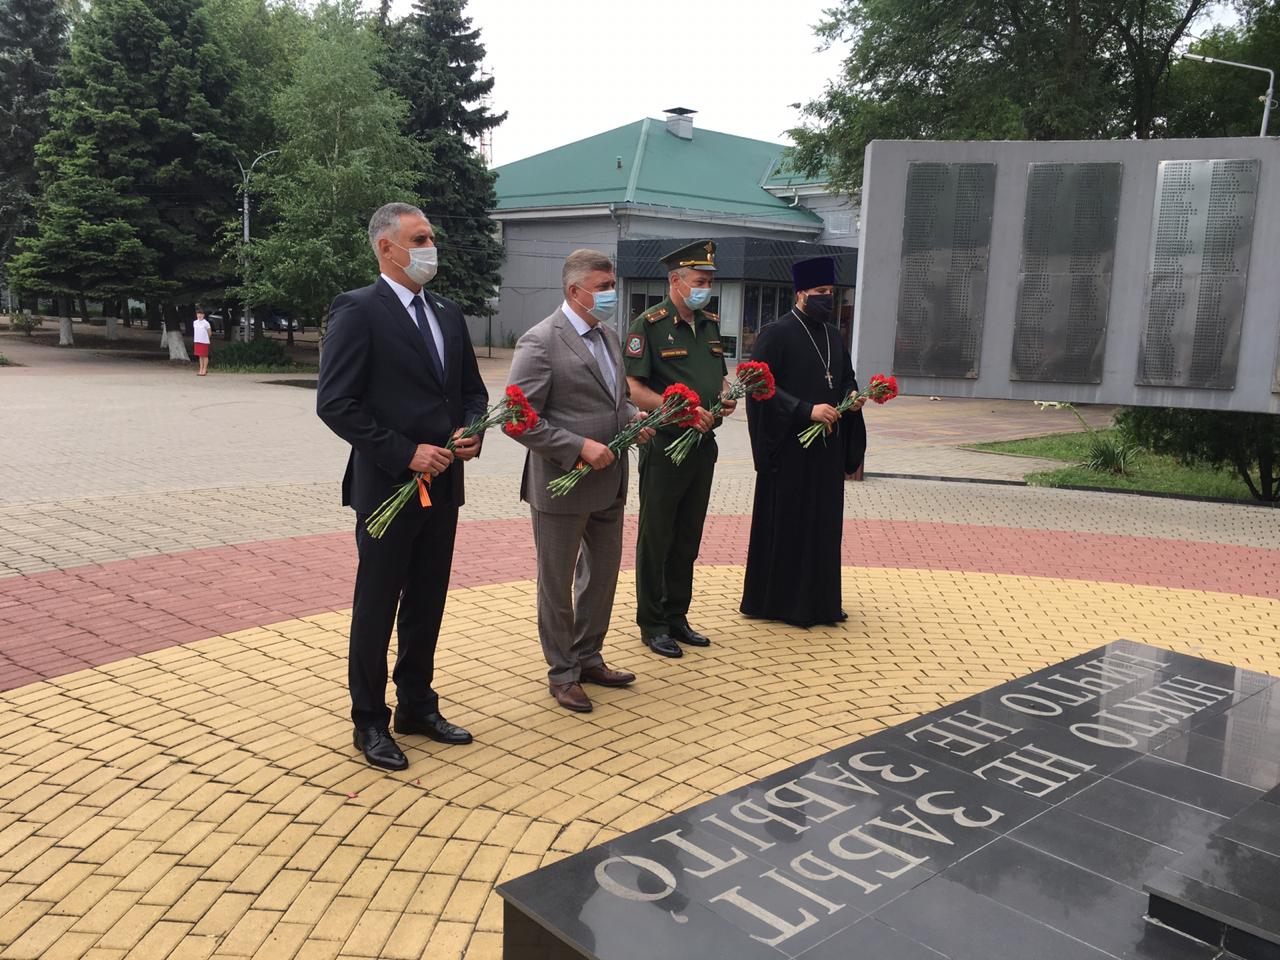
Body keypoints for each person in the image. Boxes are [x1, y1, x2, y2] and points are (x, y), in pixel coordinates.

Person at [316, 202, 489, 771]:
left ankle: (417, 702)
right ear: (386, 247)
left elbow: (471, 390)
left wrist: (472, 429)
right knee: (377, 603)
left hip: (444, 484)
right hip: (388, 486)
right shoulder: (358, 310)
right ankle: (369, 720)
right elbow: (336, 403)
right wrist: (403, 451)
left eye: (431, 237)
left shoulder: (447, 310)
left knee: (428, 599)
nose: (429, 248)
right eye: (419, 238)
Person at [506, 250, 655, 713]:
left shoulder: (608, 335)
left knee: (601, 576)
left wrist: (633, 417)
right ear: (575, 291)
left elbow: (615, 398)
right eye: (603, 286)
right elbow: (517, 419)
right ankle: (563, 673)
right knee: (557, 583)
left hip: (610, 480)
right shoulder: (540, 341)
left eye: (613, 284)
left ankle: (589, 656)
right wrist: (577, 447)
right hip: (561, 483)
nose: (612, 293)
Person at [624, 240, 736, 658]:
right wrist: (682, 412)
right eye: (699, 281)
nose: (706, 287)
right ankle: (652, 623)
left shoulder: (708, 325)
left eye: (709, 281)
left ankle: (677, 615)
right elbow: (635, 389)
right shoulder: (648, 326)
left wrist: (726, 397)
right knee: (658, 535)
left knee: (688, 534)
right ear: (675, 280)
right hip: (667, 444)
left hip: (703, 445)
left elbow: (719, 379)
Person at [740, 256, 866, 628]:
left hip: (825, 449)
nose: (827, 299)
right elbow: (757, 384)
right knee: (790, 522)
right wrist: (804, 410)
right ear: (800, 294)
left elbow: (844, 376)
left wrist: (852, 394)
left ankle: (820, 601)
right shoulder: (775, 333)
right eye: (820, 293)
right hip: (789, 448)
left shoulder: (832, 334)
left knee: (823, 524)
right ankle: (779, 602)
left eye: (831, 292)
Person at [193, 309, 211, 376]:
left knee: (205, 356)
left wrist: (206, 338)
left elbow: (209, 333)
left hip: (204, 341)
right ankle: (201, 368)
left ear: (203, 315)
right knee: (200, 356)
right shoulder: (195, 322)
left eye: (201, 314)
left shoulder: (206, 323)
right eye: (198, 314)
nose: (199, 315)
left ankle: (204, 369)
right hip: (197, 340)